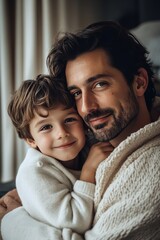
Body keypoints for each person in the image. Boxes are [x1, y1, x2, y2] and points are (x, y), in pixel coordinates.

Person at [1, 20, 160, 239]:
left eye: (99, 84)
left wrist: (13, 220)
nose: (86, 107)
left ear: (140, 82)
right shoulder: (94, 137)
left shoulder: (152, 171)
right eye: (76, 93)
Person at [0, 74, 113, 239]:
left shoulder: (90, 145)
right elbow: (74, 221)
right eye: (46, 127)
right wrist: (88, 172)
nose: (62, 133)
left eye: (69, 120)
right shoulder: (33, 174)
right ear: (31, 140)